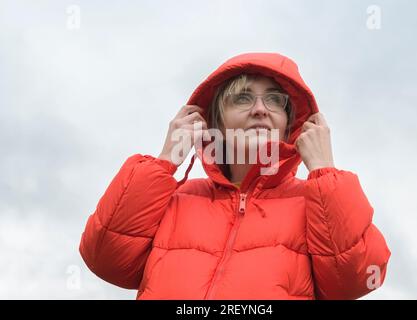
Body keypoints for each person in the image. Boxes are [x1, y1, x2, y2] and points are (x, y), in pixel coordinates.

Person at [79, 52, 391, 299]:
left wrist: (324, 169)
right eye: (242, 98)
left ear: (290, 124)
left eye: (274, 99)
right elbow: (106, 260)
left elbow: (355, 278)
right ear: (215, 120)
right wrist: (165, 161)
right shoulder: (172, 199)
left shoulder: (315, 204)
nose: (259, 109)